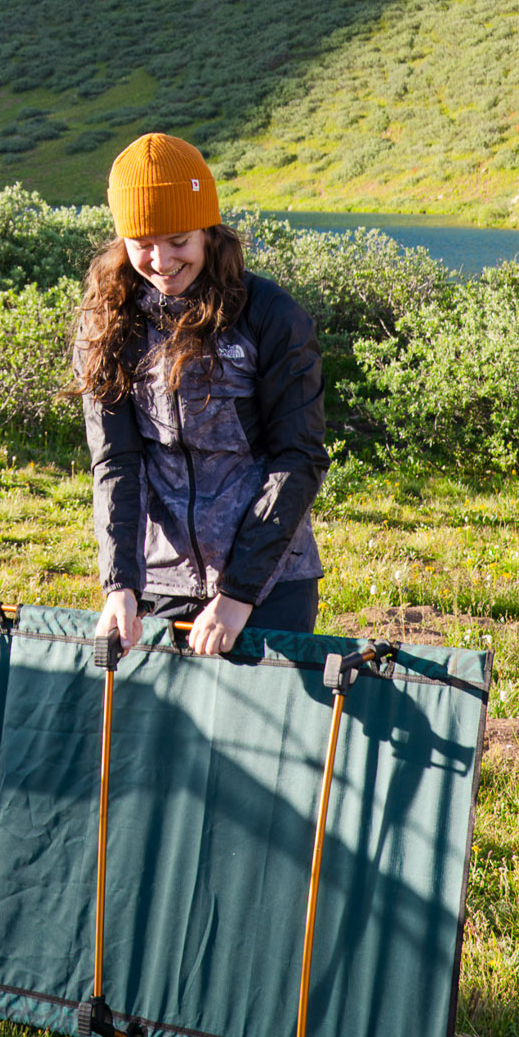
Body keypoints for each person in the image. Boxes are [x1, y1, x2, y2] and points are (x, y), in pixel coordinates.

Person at [75, 133, 328, 657]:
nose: (161, 260)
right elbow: (116, 461)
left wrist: (238, 595)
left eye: (178, 240)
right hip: (160, 585)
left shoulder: (271, 317)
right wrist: (119, 586)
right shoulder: (105, 324)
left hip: (271, 582)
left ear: (209, 231)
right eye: (141, 241)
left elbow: (298, 459)